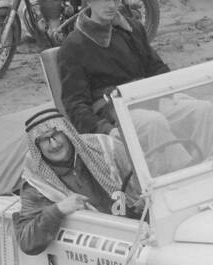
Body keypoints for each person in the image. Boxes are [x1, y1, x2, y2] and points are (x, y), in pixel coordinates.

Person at [59, 0, 213, 169]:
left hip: (147, 99)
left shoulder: (133, 28)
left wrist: (172, 92)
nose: (111, 5)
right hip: (112, 111)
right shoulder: (74, 46)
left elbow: (156, 67)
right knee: (153, 123)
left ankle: (212, 166)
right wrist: (105, 129)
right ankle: (186, 175)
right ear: (89, 1)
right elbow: (75, 105)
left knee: (201, 109)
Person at [13, 107, 136, 255]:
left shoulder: (104, 147)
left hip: (136, 231)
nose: (54, 144)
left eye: (56, 135)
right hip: (96, 250)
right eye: (45, 140)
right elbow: (26, 242)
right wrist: (58, 210)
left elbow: (142, 180)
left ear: (67, 133)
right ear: (37, 147)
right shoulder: (36, 182)